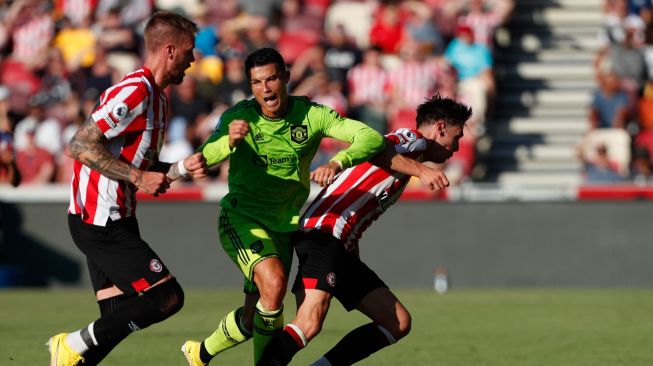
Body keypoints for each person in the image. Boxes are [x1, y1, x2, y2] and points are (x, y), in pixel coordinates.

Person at [180, 47, 388, 366]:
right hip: (241, 217)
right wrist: (229, 142)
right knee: (275, 284)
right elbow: (202, 159)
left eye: (272, 79)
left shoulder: (312, 115)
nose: (265, 88)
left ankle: (200, 352)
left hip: (284, 225)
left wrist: (338, 161)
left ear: (286, 78)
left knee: (254, 316)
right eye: (257, 82)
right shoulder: (238, 117)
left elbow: (370, 137)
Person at [257, 94, 472, 366]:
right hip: (325, 232)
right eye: (457, 135)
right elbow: (376, 148)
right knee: (309, 322)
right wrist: (421, 171)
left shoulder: (410, 158)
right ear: (440, 127)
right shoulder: (412, 139)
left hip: (340, 243)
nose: (457, 146)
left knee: (397, 322)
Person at [47, 11, 208, 366]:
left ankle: (74, 352)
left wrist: (182, 168)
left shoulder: (160, 98)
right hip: (99, 220)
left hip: (119, 217)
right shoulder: (134, 90)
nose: (193, 60)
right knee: (167, 297)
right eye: (189, 51)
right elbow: (80, 145)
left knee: (114, 322)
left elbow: (141, 164)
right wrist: (137, 179)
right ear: (169, 50)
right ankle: (71, 342)